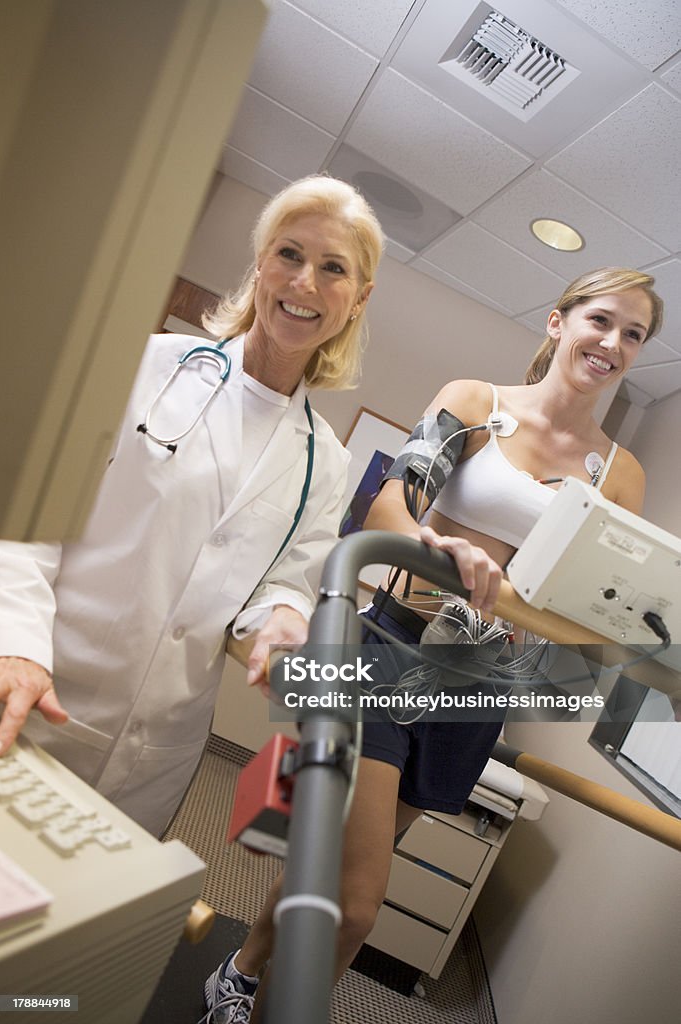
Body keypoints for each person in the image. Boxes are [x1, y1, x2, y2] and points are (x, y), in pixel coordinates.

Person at [202, 267, 664, 1023]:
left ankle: (245, 968)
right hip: (388, 645)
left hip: (476, 684)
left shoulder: (620, 475)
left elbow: (594, 616)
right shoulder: (475, 404)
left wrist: (549, 614)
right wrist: (439, 553)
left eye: (633, 334)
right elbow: (388, 509)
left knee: (339, 863)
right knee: (354, 906)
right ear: (556, 323)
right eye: (600, 321)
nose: (611, 343)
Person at [0, 174, 384, 837]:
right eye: (289, 254)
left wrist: (285, 621)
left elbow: (283, 581)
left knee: (84, 923)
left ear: (357, 299)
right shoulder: (143, 366)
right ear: (259, 263)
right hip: (36, 686)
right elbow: (27, 514)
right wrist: (15, 643)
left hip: (158, 748)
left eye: (332, 269)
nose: (304, 283)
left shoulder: (327, 460)